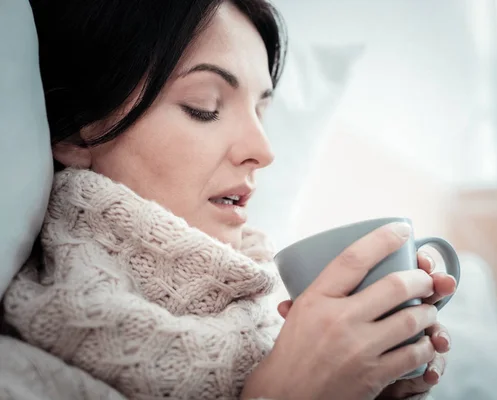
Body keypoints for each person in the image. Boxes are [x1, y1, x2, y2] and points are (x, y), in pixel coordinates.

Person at [2, 0, 457, 399]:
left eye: (261, 110)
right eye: (205, 105)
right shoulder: (19, 377)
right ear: (77, 131)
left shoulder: (273, 311)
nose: (263, 151)